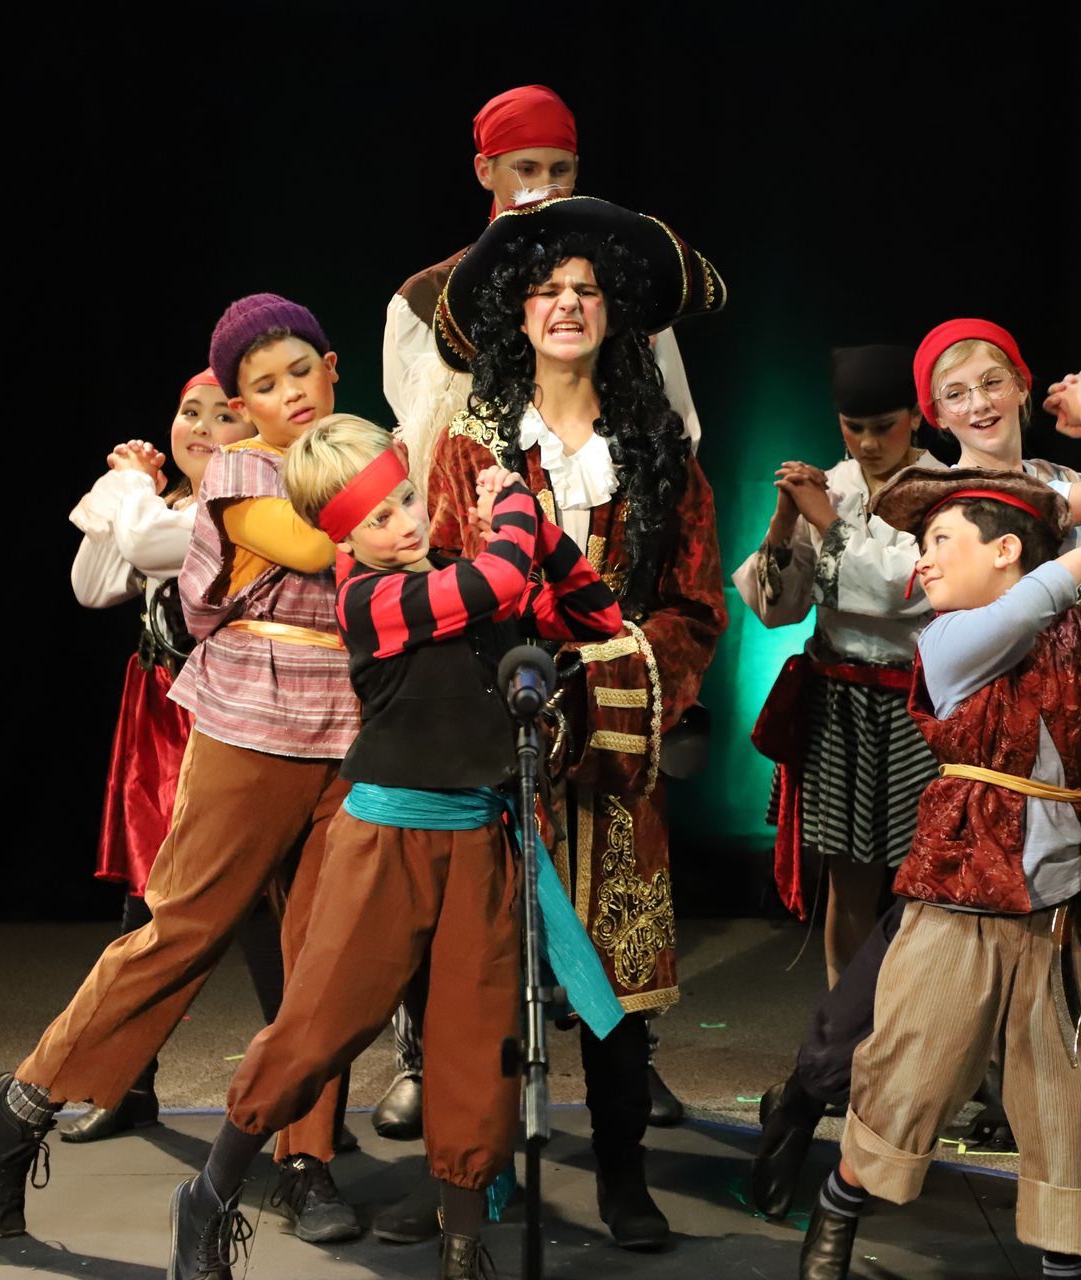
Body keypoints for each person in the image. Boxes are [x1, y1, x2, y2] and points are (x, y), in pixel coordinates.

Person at [752, 320, 1081, 1222]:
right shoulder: (951, 493)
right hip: (968, 751)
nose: (979, 404)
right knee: (909, 966)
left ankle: (1064, 1168)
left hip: (1057, 749)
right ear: (932, 414)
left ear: (1023, 386)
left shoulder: (1054, 485)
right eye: (955, 394)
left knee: (1062, 984)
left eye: (993, 383)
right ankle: (808, 1095)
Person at [166, 414, 623, 1280]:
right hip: (386, 847)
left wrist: (545, 531)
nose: (405, 524)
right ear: (341, 536)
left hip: (480, 848)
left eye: (406, 501)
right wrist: (520, 508)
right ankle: (212, 1195)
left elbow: (595, 614)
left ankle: (461, 1246)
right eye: (376, 519)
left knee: (472, 1045)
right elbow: (492, 586)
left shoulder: (459, 574)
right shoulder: (368, 601)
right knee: (316, 1028)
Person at [0, 295, 363, 1246]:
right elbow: (318, 544)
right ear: (239, 404)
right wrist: (390, 518)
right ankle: (25, 1101)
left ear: (334, 368)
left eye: (300, 372)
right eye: (260, 387)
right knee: (182, 931)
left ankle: (307, 1161)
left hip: (351, 730)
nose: (287, 395)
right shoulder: (239, 469)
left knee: (324, 957)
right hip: (249, 724)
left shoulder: (360, 452)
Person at [374, 81, 704, 1139]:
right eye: (527, 170)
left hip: (610, 713)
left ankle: (618, 1137)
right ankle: (459, 1114)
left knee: (616, 934)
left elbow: (679, 487)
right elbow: (416, 456)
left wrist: (623, 671)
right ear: (487, 175)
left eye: (561, 170)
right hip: (489, 672)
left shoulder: (632, 353)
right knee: (474, 938)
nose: (544, 188)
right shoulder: (429, 303)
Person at [421, 193, 727, 1250]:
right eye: (550, 290)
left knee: (617, 979)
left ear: (615, 315)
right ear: (519, 311)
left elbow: (695, 607)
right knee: (486, 967)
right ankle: (479, 1172)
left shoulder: (659, 446)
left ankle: (623, 1174)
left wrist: (622, 680)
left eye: (587, 291)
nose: (568, 305)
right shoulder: (470, 446)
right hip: (498, 738)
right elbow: (441, 579)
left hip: (614, 746)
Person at [796, 466, 1081, 1280]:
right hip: (963, 891)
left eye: (939, 542)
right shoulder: (945, 638)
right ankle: (839, 1202)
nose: (920, 564)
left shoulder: (1074, 634)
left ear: (1005, 549)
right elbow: (1012, 618)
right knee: (912, 1068)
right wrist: (1076, 565)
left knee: (1063, 1094)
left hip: (1056, 905)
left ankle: (1062, 1263)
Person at [61, 368, 288, 1143]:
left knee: (259, 914)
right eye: (187, 412)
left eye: (221, 416)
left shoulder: (235, 512)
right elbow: (93, 585)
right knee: (142, 910)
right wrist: (132, 491)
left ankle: (300, 1102)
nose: (197, 427)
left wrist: (124, 485)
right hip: (160, 724)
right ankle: (126, 1085)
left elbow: (138, 541)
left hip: (227, 723)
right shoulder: (172, 511)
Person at [733, 344, 944, 985]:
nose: (869, 443)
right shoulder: (838, 481)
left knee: (925, 879)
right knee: (847, 880)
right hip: (840, 701)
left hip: (916, 705)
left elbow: (911, 591)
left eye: (884, 427)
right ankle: (842, 1046)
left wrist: (828, 523)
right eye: (855, 428)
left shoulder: (945, 490)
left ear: (915, 417)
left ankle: (926, 1042)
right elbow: (779, 610)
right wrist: (783, 521)